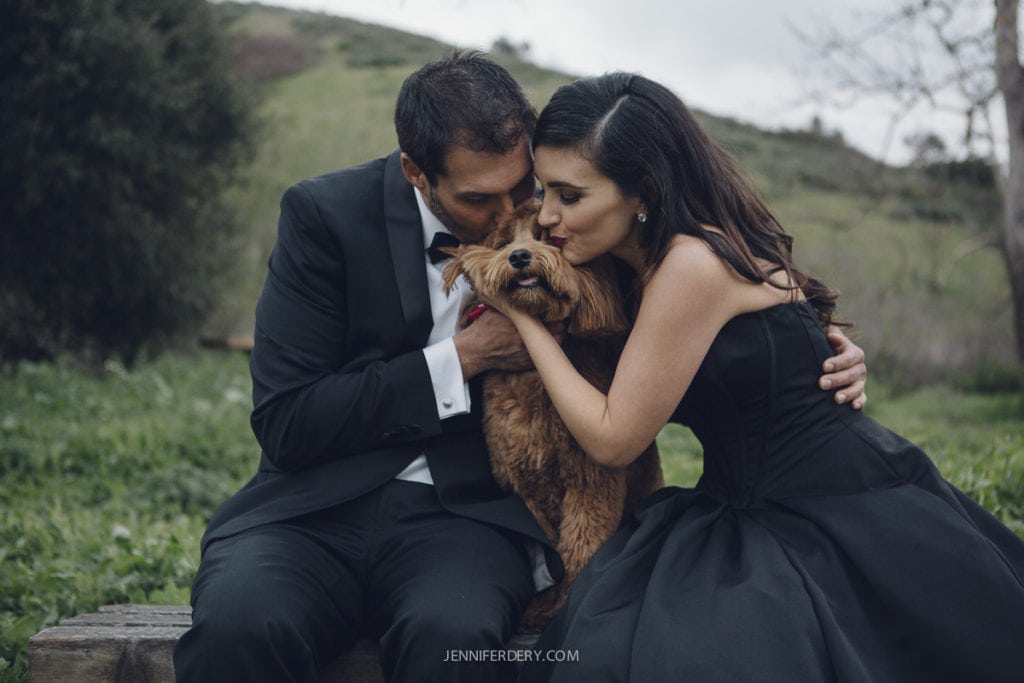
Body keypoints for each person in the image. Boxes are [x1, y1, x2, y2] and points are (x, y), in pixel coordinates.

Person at [172, 53, 868, 683]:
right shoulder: (324, 216)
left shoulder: (575, 238)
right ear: (416, 172)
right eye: (479, 200)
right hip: (310, 511)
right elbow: (288, 420)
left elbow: (708, 306)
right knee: (241, 629)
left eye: (522, 188)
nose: (513, 215)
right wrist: (465, 357)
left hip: (466, 517)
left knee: (457, 641)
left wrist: (809, 348)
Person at [493, 72, 1024, 683]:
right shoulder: (629, 265)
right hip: (741, 500)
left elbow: (615, 440)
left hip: (830, 507)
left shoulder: (691, 263)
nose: (548, 216)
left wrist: (522, 319)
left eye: (570, 196)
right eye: (545, 190)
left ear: (643, 191)